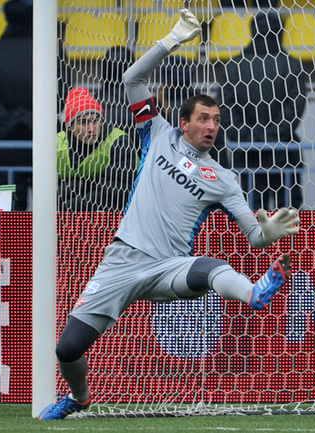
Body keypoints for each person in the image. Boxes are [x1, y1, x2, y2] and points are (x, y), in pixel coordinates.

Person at [38, 9, 300, 420]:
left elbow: (253, 236)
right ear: (184, 122)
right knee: (67, 349)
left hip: (168, 267)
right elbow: (131, 80)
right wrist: (171, 40)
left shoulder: (224, 179)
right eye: (203, 118)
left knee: (210, 267)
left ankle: (254, 293)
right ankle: (80, 397)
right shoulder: (157, 132)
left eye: (216, 120)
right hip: (122, 260)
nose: (211, 126)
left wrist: (267, 231)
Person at [218, 10, 308, 210]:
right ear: (281, 31)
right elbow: (295, 106)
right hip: (284, 151)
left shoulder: (233, 67)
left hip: (247, 152)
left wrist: (248, 136)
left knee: (253, 212)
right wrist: (273, 135)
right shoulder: (292, 65)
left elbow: (226, 107)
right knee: (288, 212)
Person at [0, 0, 72, 210]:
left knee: (11, 206)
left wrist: (12, 124)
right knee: (48, 205)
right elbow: (62, 91)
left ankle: (12, 233)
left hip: (6, 142)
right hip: (43, 139)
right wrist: (32, 121)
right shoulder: (52, 51)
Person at [58, 87, 139, 212]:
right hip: (65, 218)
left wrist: (66, 207)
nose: (91, 129)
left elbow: (115, 195)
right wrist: (79, 186)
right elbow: (46, 192)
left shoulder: (119, 142)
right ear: (69, 126)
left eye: (96, 121)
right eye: (83, 122)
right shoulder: (56, 145)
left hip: (116, 217)